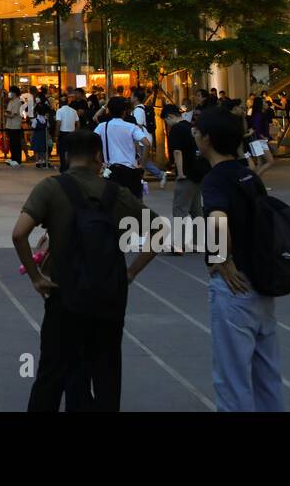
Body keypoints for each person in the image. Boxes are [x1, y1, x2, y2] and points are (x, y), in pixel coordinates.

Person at [12, 129, 158, 411]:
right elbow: (160, 232)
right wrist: (131, 273)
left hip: (63, 293)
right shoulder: (118, 193)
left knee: (52, 371)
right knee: (106, 372)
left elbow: (19, 234)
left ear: (66, 156)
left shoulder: (50, 188)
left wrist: (36, 277)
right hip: (108, 296)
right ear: (98, 155)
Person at [192, 106, 284, 412]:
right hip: (261, 281)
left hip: (234, 288)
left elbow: (218, 219)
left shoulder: (215, 180)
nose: (194, 134)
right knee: (266, 375)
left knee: (232, 379)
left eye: (197, 131)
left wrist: (222, 260)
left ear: (207, 139)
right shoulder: (248, 174)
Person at [164, 104, 206, 247]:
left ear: (170, 116)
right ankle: (198, 242)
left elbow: (177, 152)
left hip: (187, 173)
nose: (167, 124)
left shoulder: (176, 129)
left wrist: (180, 172)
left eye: (166, 120)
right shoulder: (190, 127)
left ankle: (178, 244)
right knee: (196, 209)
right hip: (198, 172)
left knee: (180, 209)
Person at [95, 97, 150, 200]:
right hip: (130, 170)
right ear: (124, 112)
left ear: (109, 111)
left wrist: (99, 162)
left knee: (112, 204)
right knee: (135, 204)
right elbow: (146, 143)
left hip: (111, 171)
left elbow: (93, 143)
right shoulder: (131, 127)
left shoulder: (102, 127)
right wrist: (142, 164)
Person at [54, 94, 78, 171]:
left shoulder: (59, 111)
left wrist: (56, 135)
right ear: (67, 102)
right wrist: (76, 132)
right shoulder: (73, 111)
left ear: (60, 103)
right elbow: (78, 123)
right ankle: (71, 166)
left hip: (63, 133)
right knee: (71, 151)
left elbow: (58, 123)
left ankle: (63, 167)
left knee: (62, 151)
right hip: (72, 133)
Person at [4, 86, 24, 167]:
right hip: (9, 125)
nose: (9, 93)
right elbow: (8, 111)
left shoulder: (17, 102)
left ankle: (17, 160)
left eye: (11, 92)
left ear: (14, 93)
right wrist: (7, 113)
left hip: (15, 126)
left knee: (16, 143)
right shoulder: (11, 102)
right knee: (12, 143)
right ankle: (13, 158)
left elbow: (13, 114)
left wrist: (6, 114)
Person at [31, 93, 53, 168]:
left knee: (37, 148)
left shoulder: (36, 119)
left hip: (37, 135)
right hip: (44, 135)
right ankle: (45, 160)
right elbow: (48, 125)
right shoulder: (45, 119)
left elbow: (33, 126)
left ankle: (38, 161)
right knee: (44, 148)